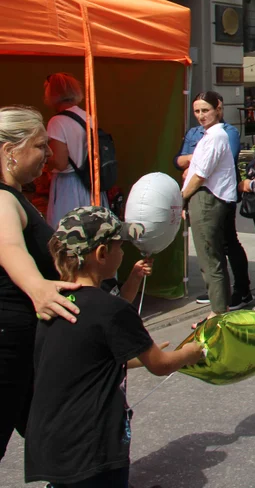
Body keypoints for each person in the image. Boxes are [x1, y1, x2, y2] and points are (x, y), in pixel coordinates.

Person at [24, 206, 204, 487]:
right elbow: (160, 365)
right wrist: (191, 352)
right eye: (120, 246)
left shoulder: (53, 304)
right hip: (93, 444)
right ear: (102, 254)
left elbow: (88, 360)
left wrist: (136, 352)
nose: (123, 253)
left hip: (52, 441)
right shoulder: (111, 309)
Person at [0, 107, 83, 461]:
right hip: (9, 345)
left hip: (25, 343)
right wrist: (37, 287)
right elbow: (8, 246)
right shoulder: (2, 199)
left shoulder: (16, 196)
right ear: (10, 151)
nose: (48, 154)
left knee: (58, 435)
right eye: (39, 146)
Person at [175, 95, 251, 309]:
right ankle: (220, 307)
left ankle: (218, 312)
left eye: (205, 110)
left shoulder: (218, 136)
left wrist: (181, 199)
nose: (201, 115)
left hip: (208, 199)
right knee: (211, 258)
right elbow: (180, 161)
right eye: (197, 111)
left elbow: (200, 174)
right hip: (205, 198)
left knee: (210, 259)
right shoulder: (209, 135)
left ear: (218, 109)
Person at [43, 73, 105, 228]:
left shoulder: (57, 122)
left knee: (67, 232)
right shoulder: (88, 117)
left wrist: (43, 158)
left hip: (68, 186)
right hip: (88, 183)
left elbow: (61, 163)